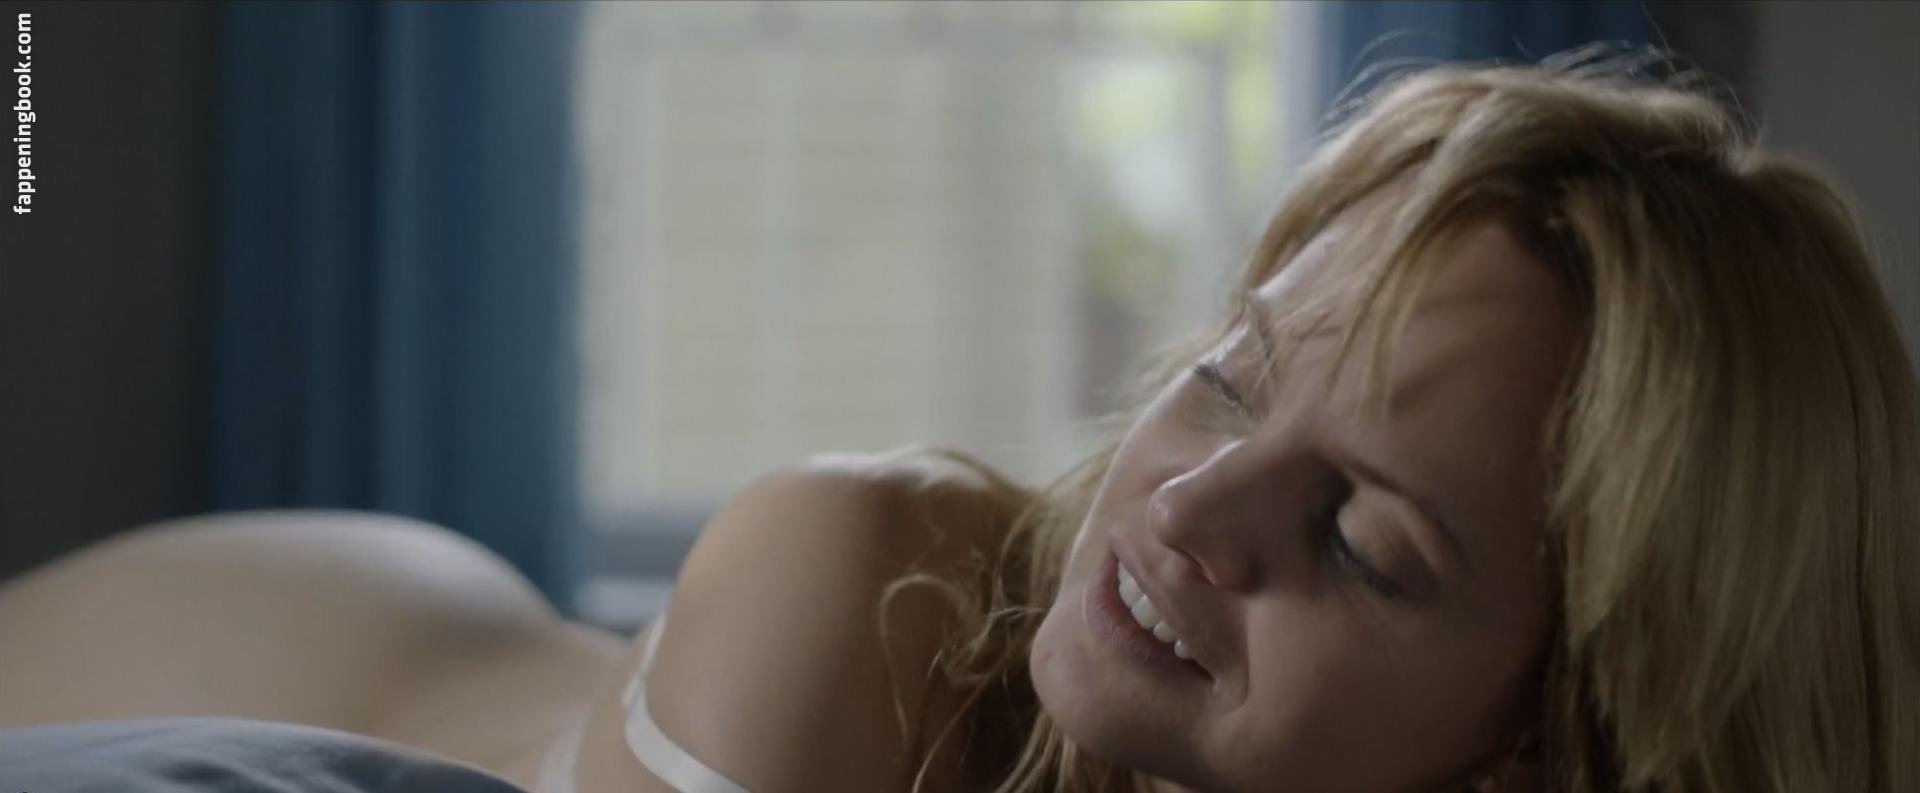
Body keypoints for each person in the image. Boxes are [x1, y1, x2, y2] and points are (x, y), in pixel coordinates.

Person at [0, 48, 1914, 793]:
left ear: (1545, 746)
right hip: (215, 644)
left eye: (1359, 540)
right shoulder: (858, 589)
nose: (1192, 505)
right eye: (1231, 372)